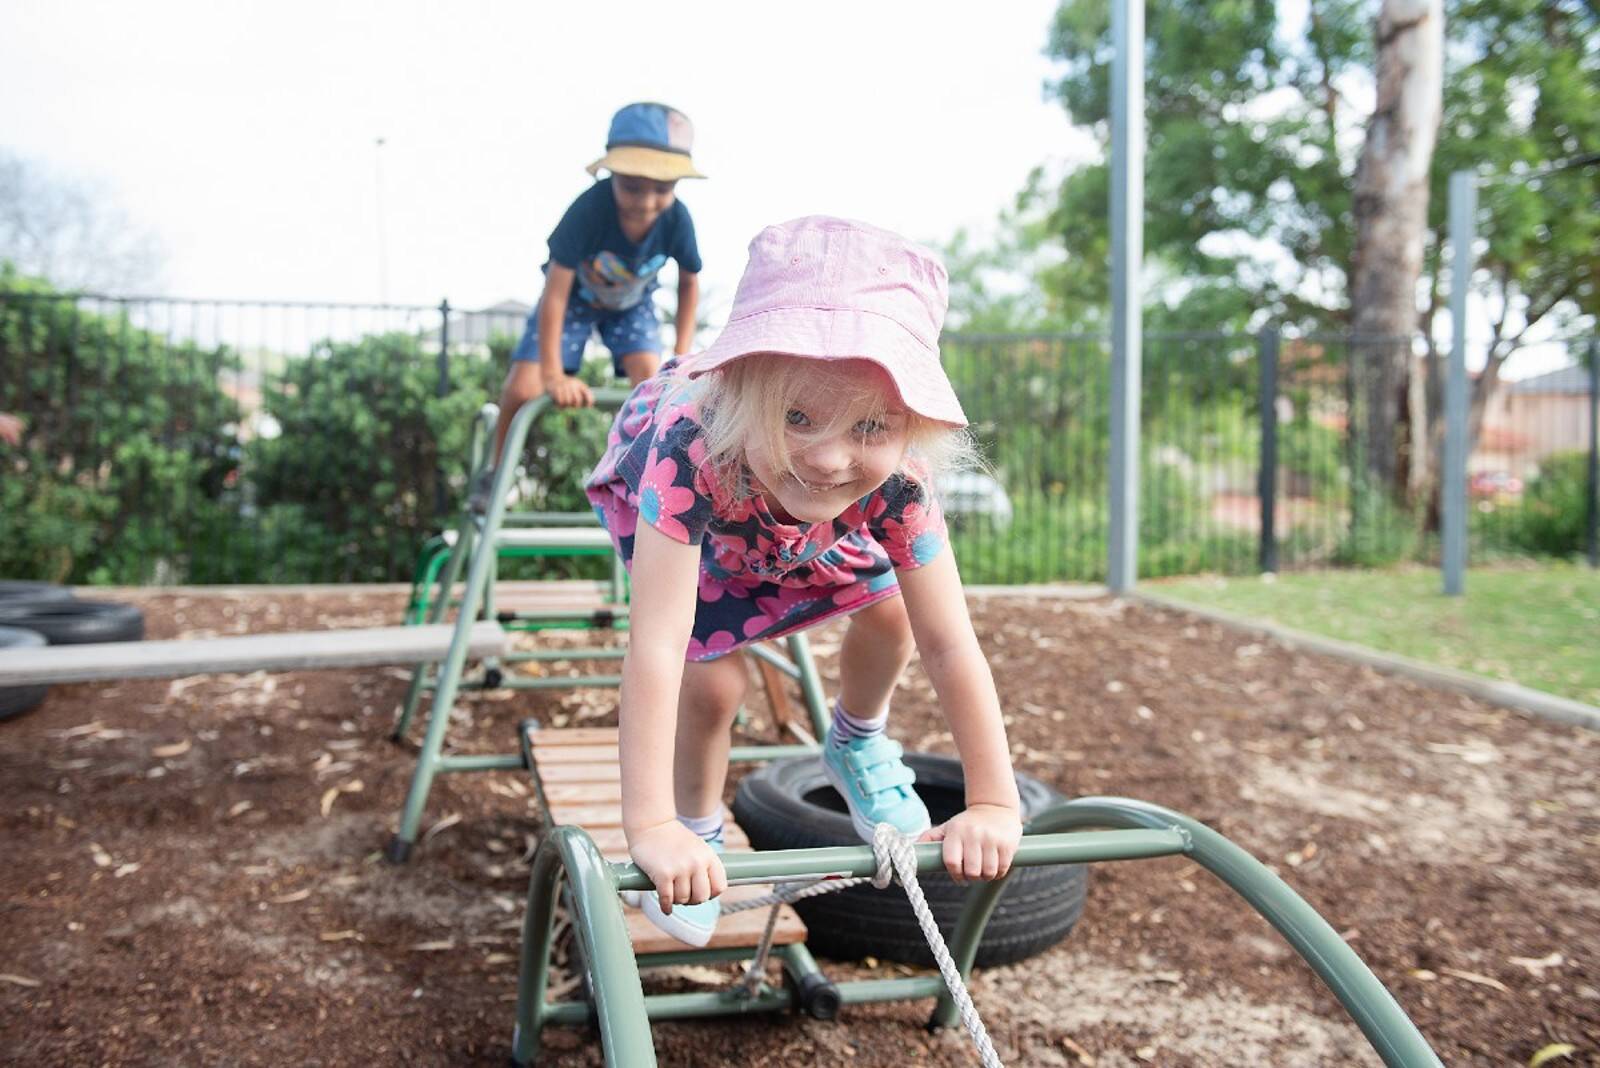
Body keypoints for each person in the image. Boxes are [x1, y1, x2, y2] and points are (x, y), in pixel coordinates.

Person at [584, 216, 1023, 946]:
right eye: (797, 415)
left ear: (909, 427)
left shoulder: (901, 480)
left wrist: (995, 803)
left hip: (808, 531)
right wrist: (651, 826)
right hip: (714, 516)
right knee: (711, 682)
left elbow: (951, 645)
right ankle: (696, 827)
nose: (828, 457)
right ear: (743, 390)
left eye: (871, 427)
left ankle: (856, 740)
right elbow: (655, 647)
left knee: (894, 617)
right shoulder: (690, 444)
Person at [472, 101, 705, 512]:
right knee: (522, 388)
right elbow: (555, 293)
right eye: (633, 186)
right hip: (575, 301)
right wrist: (553, 374)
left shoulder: (677, 221)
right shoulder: (589, 210)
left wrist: (682, 357)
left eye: (662, 189)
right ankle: (495, 475)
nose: (647, 202)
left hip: (631, 307)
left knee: (654, 386)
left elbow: (689, 282)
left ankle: (640, 476)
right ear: (612, 174)